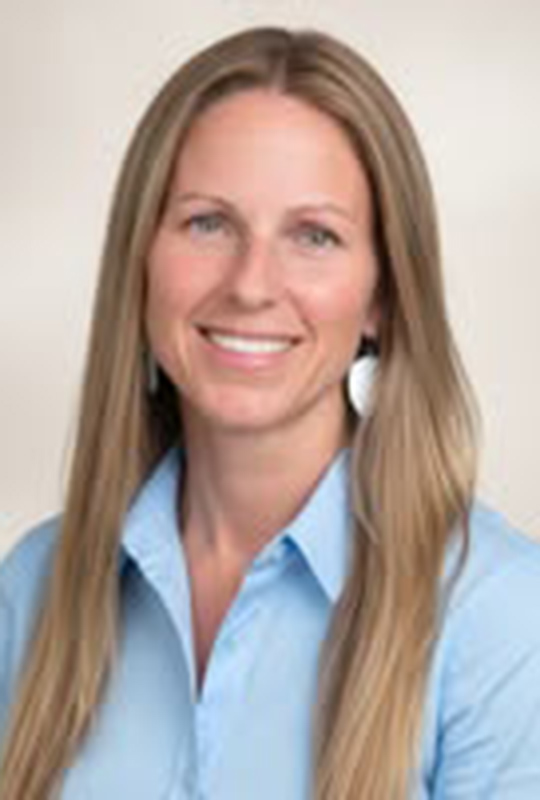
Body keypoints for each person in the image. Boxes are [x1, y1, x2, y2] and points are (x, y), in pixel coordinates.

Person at [1, 25, 539, 800]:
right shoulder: (32, 593)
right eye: (208, 223)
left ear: (383, 297)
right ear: (140, 263)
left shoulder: (502, 620)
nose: (252, 284)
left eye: (314, 235)